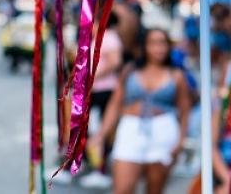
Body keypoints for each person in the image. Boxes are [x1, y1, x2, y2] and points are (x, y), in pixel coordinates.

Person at [91, 28, 191, 194]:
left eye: (162, 43)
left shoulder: (176, 75)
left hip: (163, 130)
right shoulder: (130, 70)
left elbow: (184, 111)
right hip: (131, 129)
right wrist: (101, 134)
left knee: (154, 189)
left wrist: (180, 141)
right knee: (122, 189)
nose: (158, 48)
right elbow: (115, 105)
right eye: (153, 43)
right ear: (144, 46)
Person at [80, 12, 123, 189]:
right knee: (89, 128)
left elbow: (115, 62)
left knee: (99, 129)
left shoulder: (110, 38)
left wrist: (93, 77)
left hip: (103, 90)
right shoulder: (102, 37)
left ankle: (101, 169)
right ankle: (90, 163)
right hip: (95, 89)